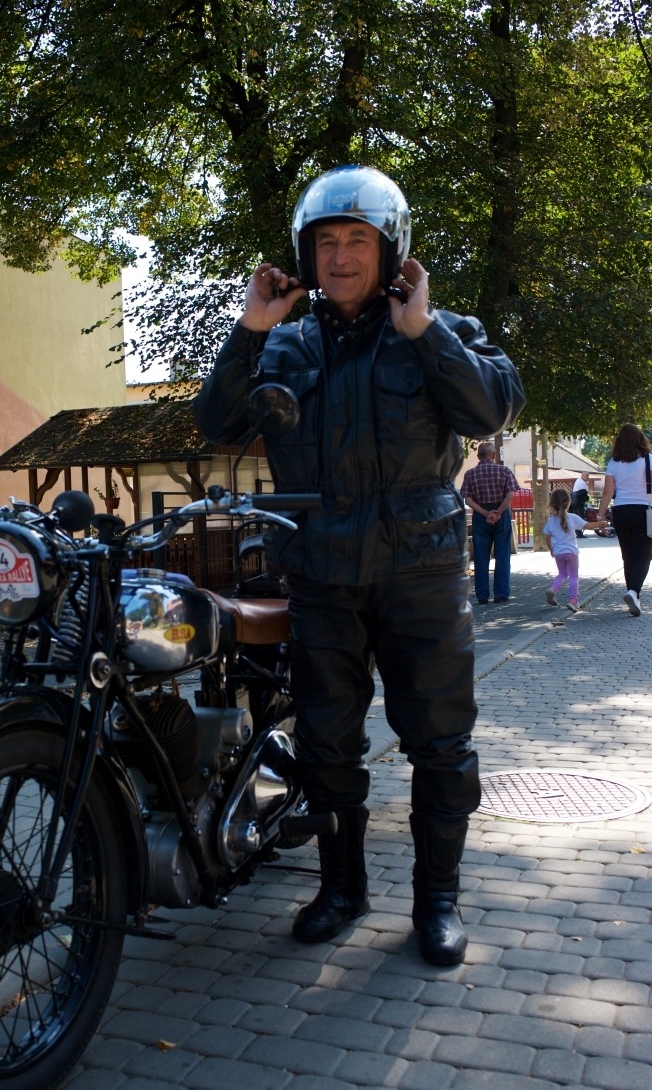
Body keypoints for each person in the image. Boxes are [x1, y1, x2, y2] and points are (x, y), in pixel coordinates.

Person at [194, 165, 525, 967]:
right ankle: (341, 888)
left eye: (358, 241)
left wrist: (426, 332)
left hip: (422, 572)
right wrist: (251, 328)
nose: (341, 257)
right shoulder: (286, 340)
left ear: (390, 250)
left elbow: (490, 410)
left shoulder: (441, 328)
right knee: (326, 747)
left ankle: (436, 902)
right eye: (326, 242)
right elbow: (216, 422)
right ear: (307, 255)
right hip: (321, 577)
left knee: (440, 745)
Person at [596, 424, 652, 616]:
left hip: (620, 511)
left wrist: (600, 516)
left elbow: (607, 493)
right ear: (640, 439)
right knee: (644, 554)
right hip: (643, 511)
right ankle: (634, 592)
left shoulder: (613, 463)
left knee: (627, 555)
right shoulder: (649, 460)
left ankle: (633, 596)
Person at [460, 443, 520, 604]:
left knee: (480, 557)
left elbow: (468, 499)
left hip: (481, 517)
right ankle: (500, 594)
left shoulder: (470, 474)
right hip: (502, 516)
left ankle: (482, 595)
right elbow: (510, 495)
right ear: (494, 455)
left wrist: (486, 513)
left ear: (479, 456)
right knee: (502, 555)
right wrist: (498, 512)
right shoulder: (504, 471)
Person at [542, 488, 608, 611]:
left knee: (562, 574)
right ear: (569, 503)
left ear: (552, 504)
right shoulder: (572, 517)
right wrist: (601, 524)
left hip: (558, 553)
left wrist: (551, 550)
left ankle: (553, 588)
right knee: (573, 576)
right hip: (571, 552)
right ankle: (573, 601)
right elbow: (588, 526)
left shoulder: (550, 521)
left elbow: (547, 537)